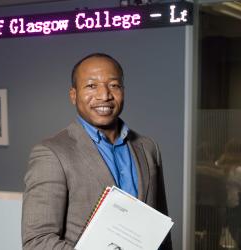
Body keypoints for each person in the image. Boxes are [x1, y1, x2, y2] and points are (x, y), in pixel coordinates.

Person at [21, 53, 171, 250]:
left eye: (114, 85)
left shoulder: (148, 147)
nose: (104, 95)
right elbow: (37, 242)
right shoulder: (51, 153)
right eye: (91, 86)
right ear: (73, 95)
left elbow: (159, 230)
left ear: (123, 91)